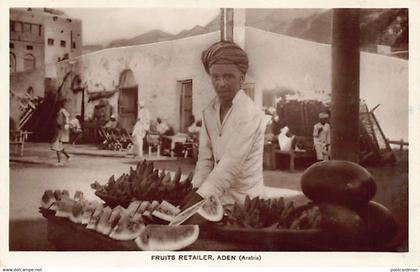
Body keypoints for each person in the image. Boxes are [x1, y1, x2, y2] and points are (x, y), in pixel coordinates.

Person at [182, 41, 266, 208]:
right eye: (215, 77)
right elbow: (205, 158)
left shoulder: (250, 113)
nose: (220, 83)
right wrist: (196, 188)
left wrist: (199, 198)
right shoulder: (209, 112)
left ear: (241, 78)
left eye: (228, 76)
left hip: (246, 203)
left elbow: (231, 164)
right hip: (216, 199)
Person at [51, 99, 71, 166]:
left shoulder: (62, 111)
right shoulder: (60, 111)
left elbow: (66, 117)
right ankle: (68, 156)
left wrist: (65, 124)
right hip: (58, 129)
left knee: (57, 146)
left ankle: (59, 161)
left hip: (60, 130)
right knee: (60, 146)